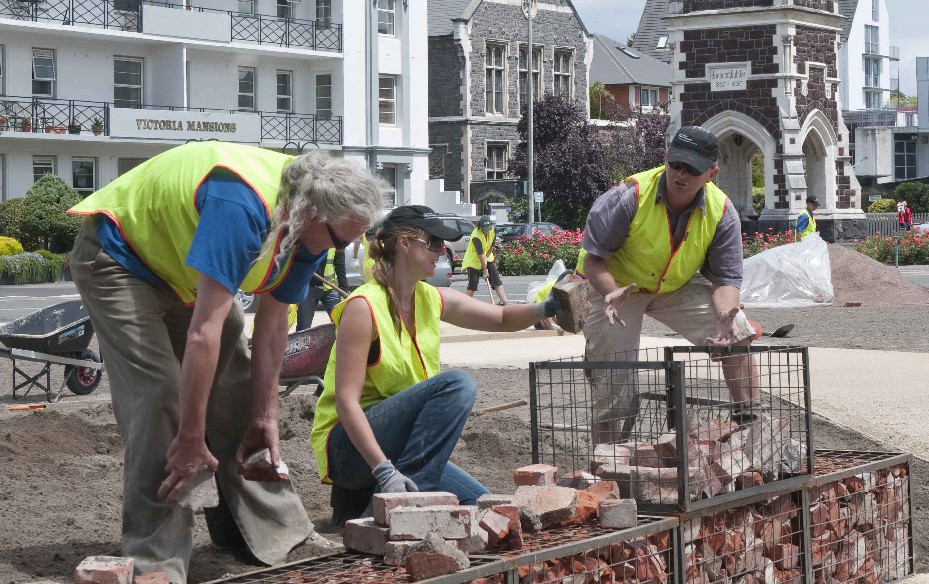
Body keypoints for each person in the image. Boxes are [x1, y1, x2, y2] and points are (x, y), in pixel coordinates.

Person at [67, 141, 384, 582]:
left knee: (236, 386)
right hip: (118, 259)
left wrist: (265, 414)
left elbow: (273, 327)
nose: (344, 250)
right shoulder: (241, 205)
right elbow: (203, 334)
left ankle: (276, 533)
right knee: (159, 395)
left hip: (176, 270)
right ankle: (155, 557)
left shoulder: (310, 226)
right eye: (342, 240)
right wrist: (192, 438)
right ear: (313, 215)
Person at [310, 205, 558, 522]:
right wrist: (385, 471)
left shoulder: (430, 297)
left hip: (398, 447)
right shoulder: (363, 307)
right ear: (403, 242)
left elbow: (500, 317)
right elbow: (346, 402)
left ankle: (386, 507)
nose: (442, 251)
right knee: (458, 385)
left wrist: (547, 306)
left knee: (485, 506)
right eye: (434, 243)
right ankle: (404, 508)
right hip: (349, 450)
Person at [578, 126, 761, 443]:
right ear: (666, 158)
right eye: (677, 164)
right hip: (618, 289)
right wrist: (610, 292)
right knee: (614, 378)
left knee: (739, 330)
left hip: (675, 286)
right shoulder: (629, 196)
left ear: (711, 174)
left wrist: (725, 316)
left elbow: (726, 279)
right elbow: (594, 259)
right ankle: (606, 462)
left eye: (693, 170)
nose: (681, 175)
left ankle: (751, 426)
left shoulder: (722, 212)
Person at [296, 248, 347, 331]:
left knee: (340, 323)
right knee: (303, 327)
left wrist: (344, 288)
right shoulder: (309, 240)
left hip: (329, 288)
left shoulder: (336, 243)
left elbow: (340, 265)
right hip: (308, 288)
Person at [462, 215, 509, 305]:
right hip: (474, 261)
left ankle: (505, 302)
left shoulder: (493, 230)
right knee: (473, 283)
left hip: (487, 257)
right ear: (480, 227)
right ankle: (465, 304)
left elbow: (492, 245)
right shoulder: (476, 236)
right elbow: (480, 255)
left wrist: (487, 258)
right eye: (484, 229)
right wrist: (485, 270)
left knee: (496, 280)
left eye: (488, 228)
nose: (487, 231)